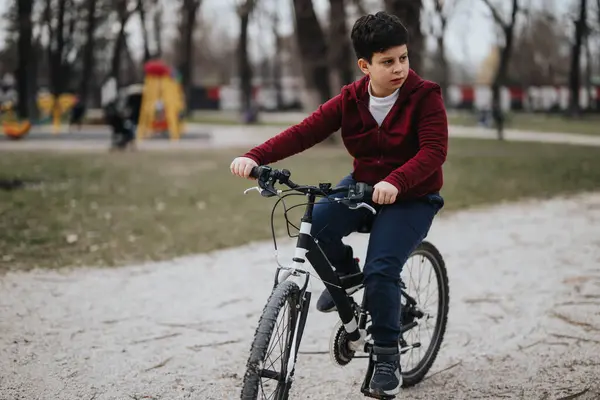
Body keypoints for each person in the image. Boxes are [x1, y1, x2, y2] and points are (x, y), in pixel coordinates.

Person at [230, 11, 447, 397]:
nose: (399, 68)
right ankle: (346, 276)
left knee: (382, 271)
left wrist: (396, 181)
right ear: (365, 66)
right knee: (317, 225)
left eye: (403, 58)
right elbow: (304, 132)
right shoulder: (350, 99)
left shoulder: (425, 96)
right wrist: (255, 157)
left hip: (412, 196)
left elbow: (433, 151)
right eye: (387, 62)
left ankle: (385, 359)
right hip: (363, 187)